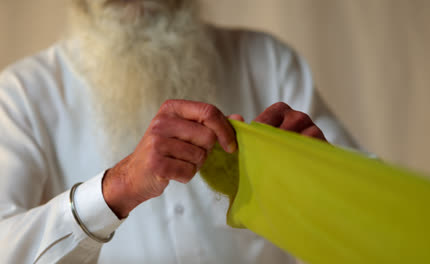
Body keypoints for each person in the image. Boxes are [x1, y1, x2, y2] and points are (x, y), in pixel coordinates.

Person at [0, 0, 359, 263]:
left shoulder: (267, 61)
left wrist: (323, 181)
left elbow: (367, 224)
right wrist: (114, 190)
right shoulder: (21, 95)